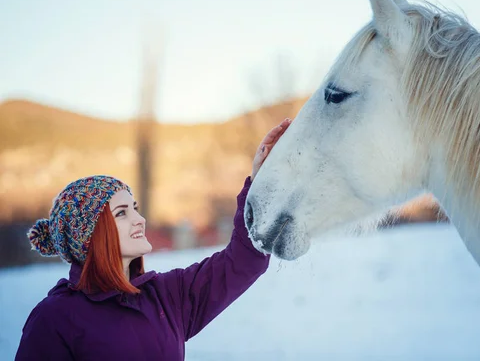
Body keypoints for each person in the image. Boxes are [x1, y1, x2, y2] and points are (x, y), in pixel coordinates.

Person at [15, 118, 292, 360]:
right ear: (91, 236)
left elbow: (242, 262)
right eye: (122, 213)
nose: (139, 219)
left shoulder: (166, 296)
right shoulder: (55, 318)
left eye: (134, 208)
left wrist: (260, 180)